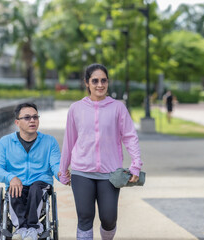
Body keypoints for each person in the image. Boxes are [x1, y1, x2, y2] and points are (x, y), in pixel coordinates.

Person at [59, 63, 143, 240]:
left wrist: (136, 164)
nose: (100, 85)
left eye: (103, 80)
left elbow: (130, 136)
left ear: (108, 82)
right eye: (95, 80)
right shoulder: (76, 109)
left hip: (110, 174)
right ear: (87, 83)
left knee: (108, 218)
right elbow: (69, 141)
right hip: (82, 172)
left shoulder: (118, 108)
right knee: (84, 218)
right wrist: (63, 170)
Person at [0, 102, 67, 240]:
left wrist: (62, 174)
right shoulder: (5, 142)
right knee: (14, 190)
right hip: (16, 183)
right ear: (17, 122)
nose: (32, 120)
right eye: (27, 118)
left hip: (40, 183)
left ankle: (33, 227)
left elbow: (56, 165)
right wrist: (10, 177)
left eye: (35, 117)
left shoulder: (49, 142)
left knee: (35, 188)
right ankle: (21, 228)